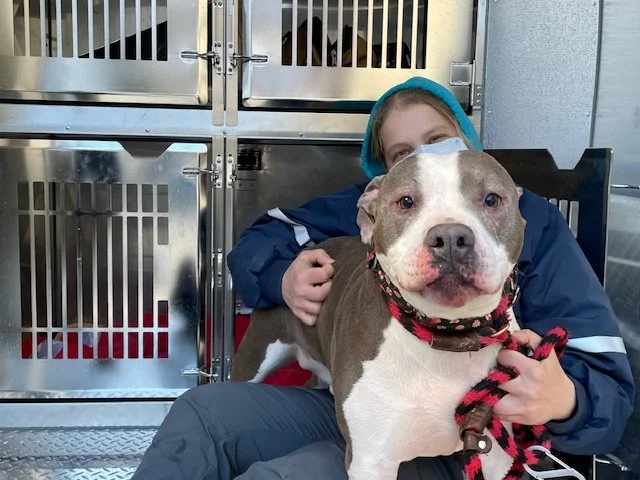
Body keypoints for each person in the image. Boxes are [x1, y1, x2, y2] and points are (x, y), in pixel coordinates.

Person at [132, 77, 634, 480]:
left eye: (438, 140)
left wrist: (565, 400)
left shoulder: (534, 221)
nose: (448, 234)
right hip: (369, 406)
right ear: (375, 207)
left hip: (474, 441)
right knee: (199, 413)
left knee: (293, 474)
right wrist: (282, 276)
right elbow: (261, 239)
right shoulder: (378, 206)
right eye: (402, 156)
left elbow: (611, 394)